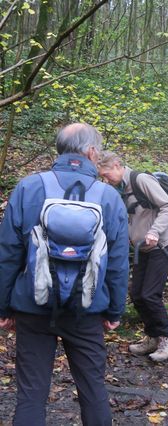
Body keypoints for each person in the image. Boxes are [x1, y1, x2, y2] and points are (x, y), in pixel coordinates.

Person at [0, 123, 129, 425]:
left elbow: (8, 253)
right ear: (92, 152)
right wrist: (114, 311)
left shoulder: (28, 187)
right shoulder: (108, 197)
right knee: (93, 390)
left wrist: (4, 307)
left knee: (31, 395)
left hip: (32, 306)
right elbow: (119, 262)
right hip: (87, 309)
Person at [98, 152, 168, 362]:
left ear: (117, 165)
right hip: (141, 249)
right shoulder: (119, 189)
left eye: (107, 174)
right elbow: (130, 217)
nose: (106, 180)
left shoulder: (140, 180)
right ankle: (153, 337)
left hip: (162, 245)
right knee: (136, 294)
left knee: (150, 294)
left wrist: (154, 231)